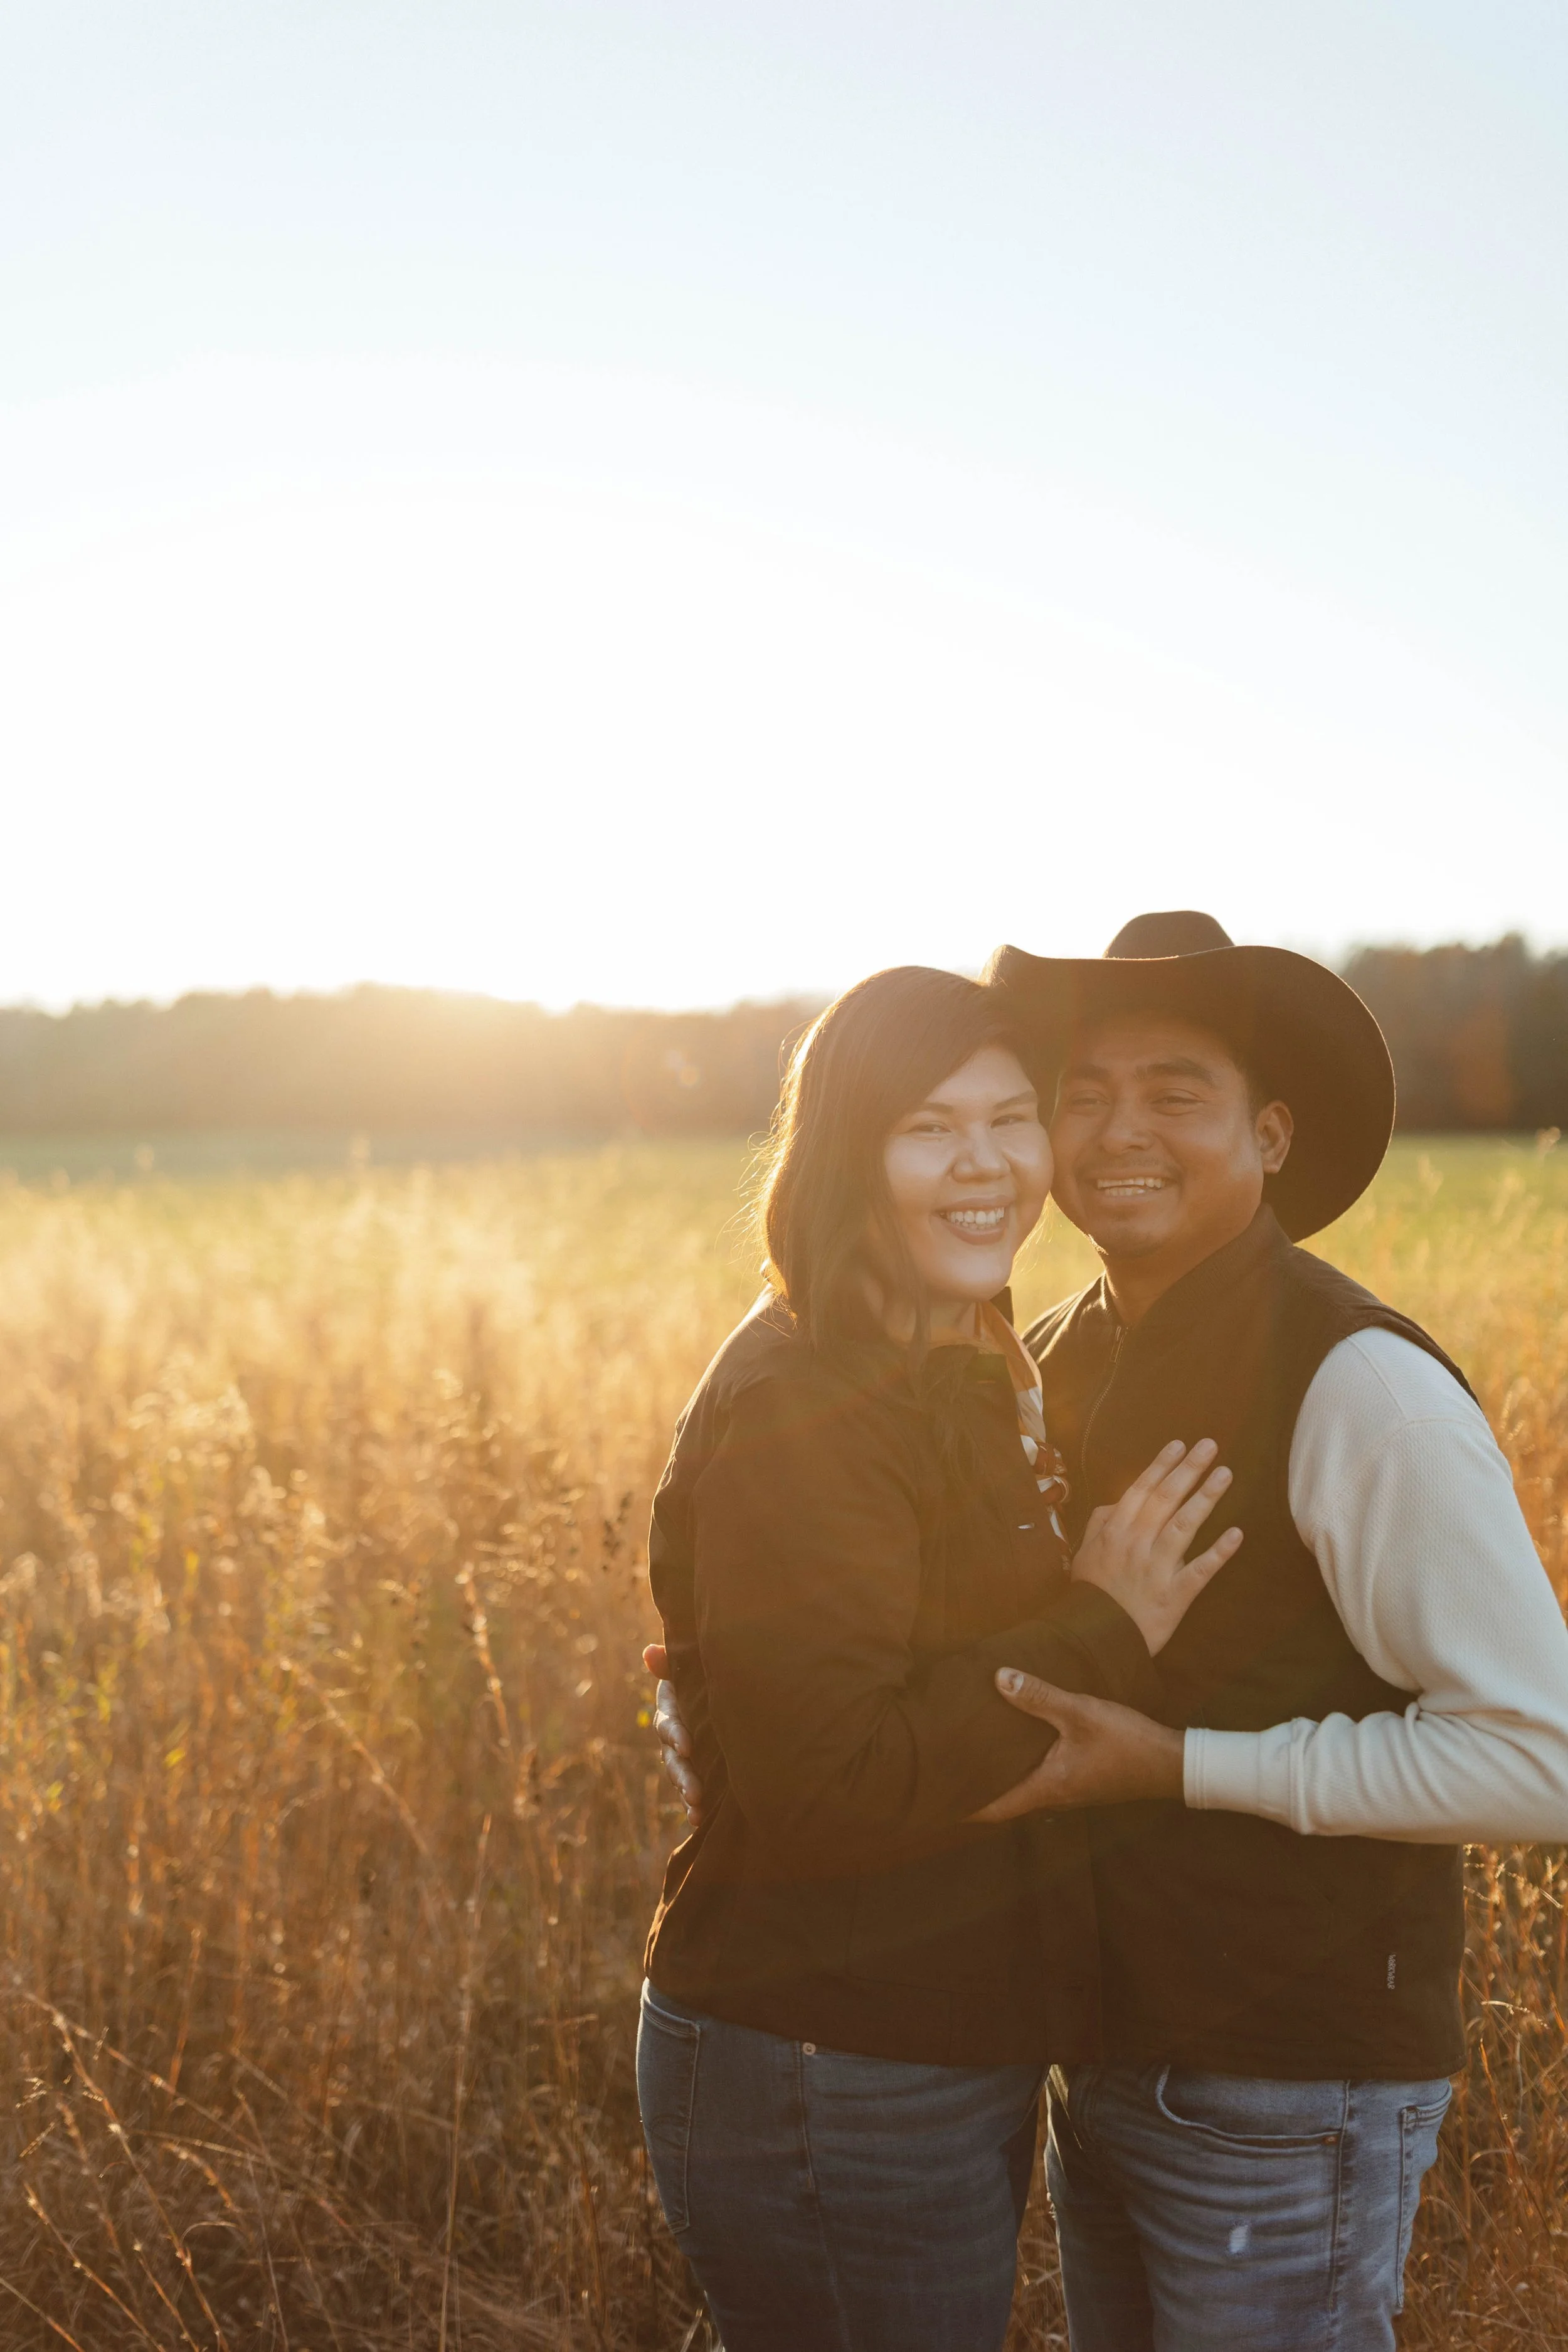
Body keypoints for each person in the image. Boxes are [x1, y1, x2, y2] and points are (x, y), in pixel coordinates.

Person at [652, 913, 1568, 2352]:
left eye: (1174, 1095)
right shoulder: (1045, 1353)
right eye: (1079, 1094)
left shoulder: (1360, 1387)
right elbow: (890, 1645)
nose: (1111, 1132)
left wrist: (1187, 1764)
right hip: (1101, 2060)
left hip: (1286, 2081)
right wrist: (717, 1689)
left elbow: (1537, 1760)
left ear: (1268, 1136)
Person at [637, 961, 1243, 2352]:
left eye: (1010, 1117)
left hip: (925, 2039)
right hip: (824, 2055)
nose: (986, 1166)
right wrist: (1104, 1623)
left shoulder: (960, 1355)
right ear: (847, 1153)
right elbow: (833, 1782)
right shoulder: (806, 1398)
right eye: (929, 1127)